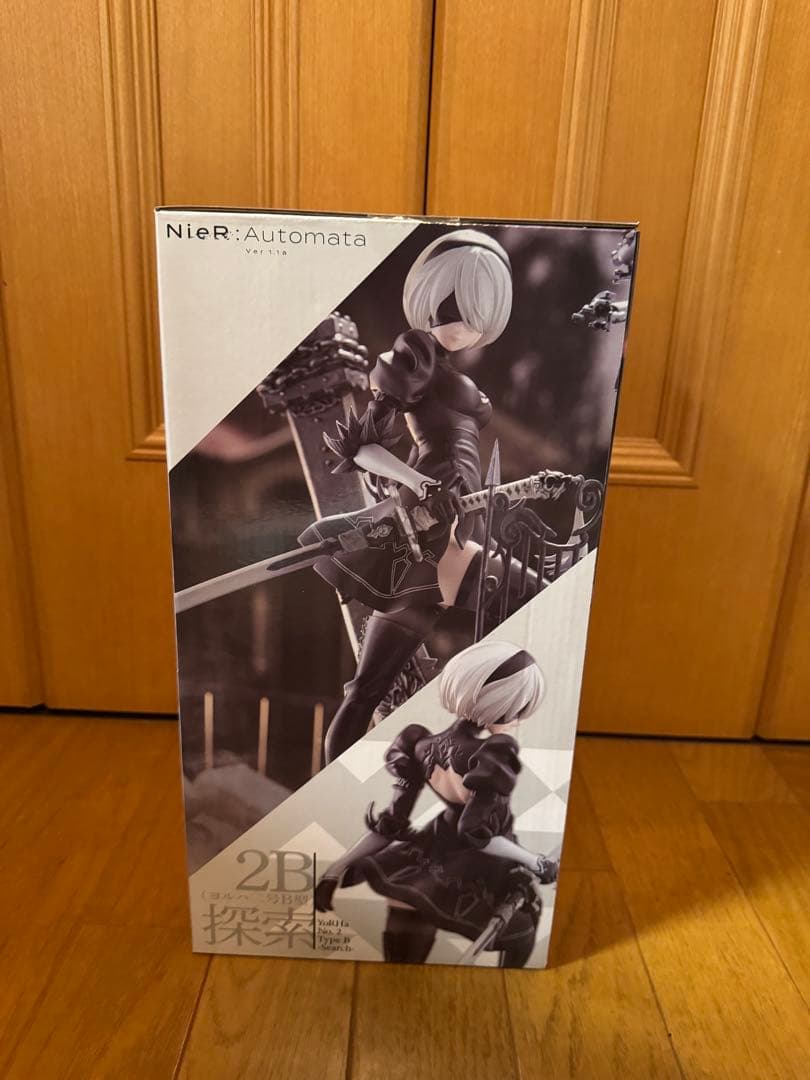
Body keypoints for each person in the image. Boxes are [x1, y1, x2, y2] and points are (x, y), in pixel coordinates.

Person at [319, 229, 535, 762]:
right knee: (366, 691)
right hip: (429, 528)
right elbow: (361, 448)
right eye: (459, 308)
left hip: (456, 525)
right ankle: (336, 790)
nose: (470, 326)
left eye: (481, 314)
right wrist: (419, 484)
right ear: (434, 296)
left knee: (367, 689)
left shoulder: (447, 367)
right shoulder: (413, 353)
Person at [314, 640, 559, 967]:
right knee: (523, 929)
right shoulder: (493, 753)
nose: (517, 719)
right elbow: (478, 835)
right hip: (482, 868)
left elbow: (390, 824)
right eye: (517, 707)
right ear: (499, 701)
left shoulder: (419, 743)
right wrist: (536, 862)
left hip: (428, 852)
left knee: (404, 939)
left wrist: (335, 869)